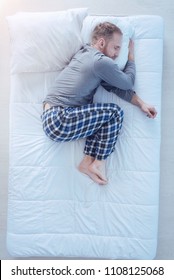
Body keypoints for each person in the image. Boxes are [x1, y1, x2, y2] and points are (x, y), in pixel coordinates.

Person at [41, 22, 157, 185]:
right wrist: (131, 59)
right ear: (102, 42)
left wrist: (141, 104)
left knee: (104, 118)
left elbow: (116, 88)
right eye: (116, 47)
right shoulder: (100, 62)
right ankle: (98, 163)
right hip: (60, 118)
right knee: (114, 113)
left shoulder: (85, 54)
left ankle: (87, 162)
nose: (118, 54)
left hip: (54, 118)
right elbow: (127, 83)